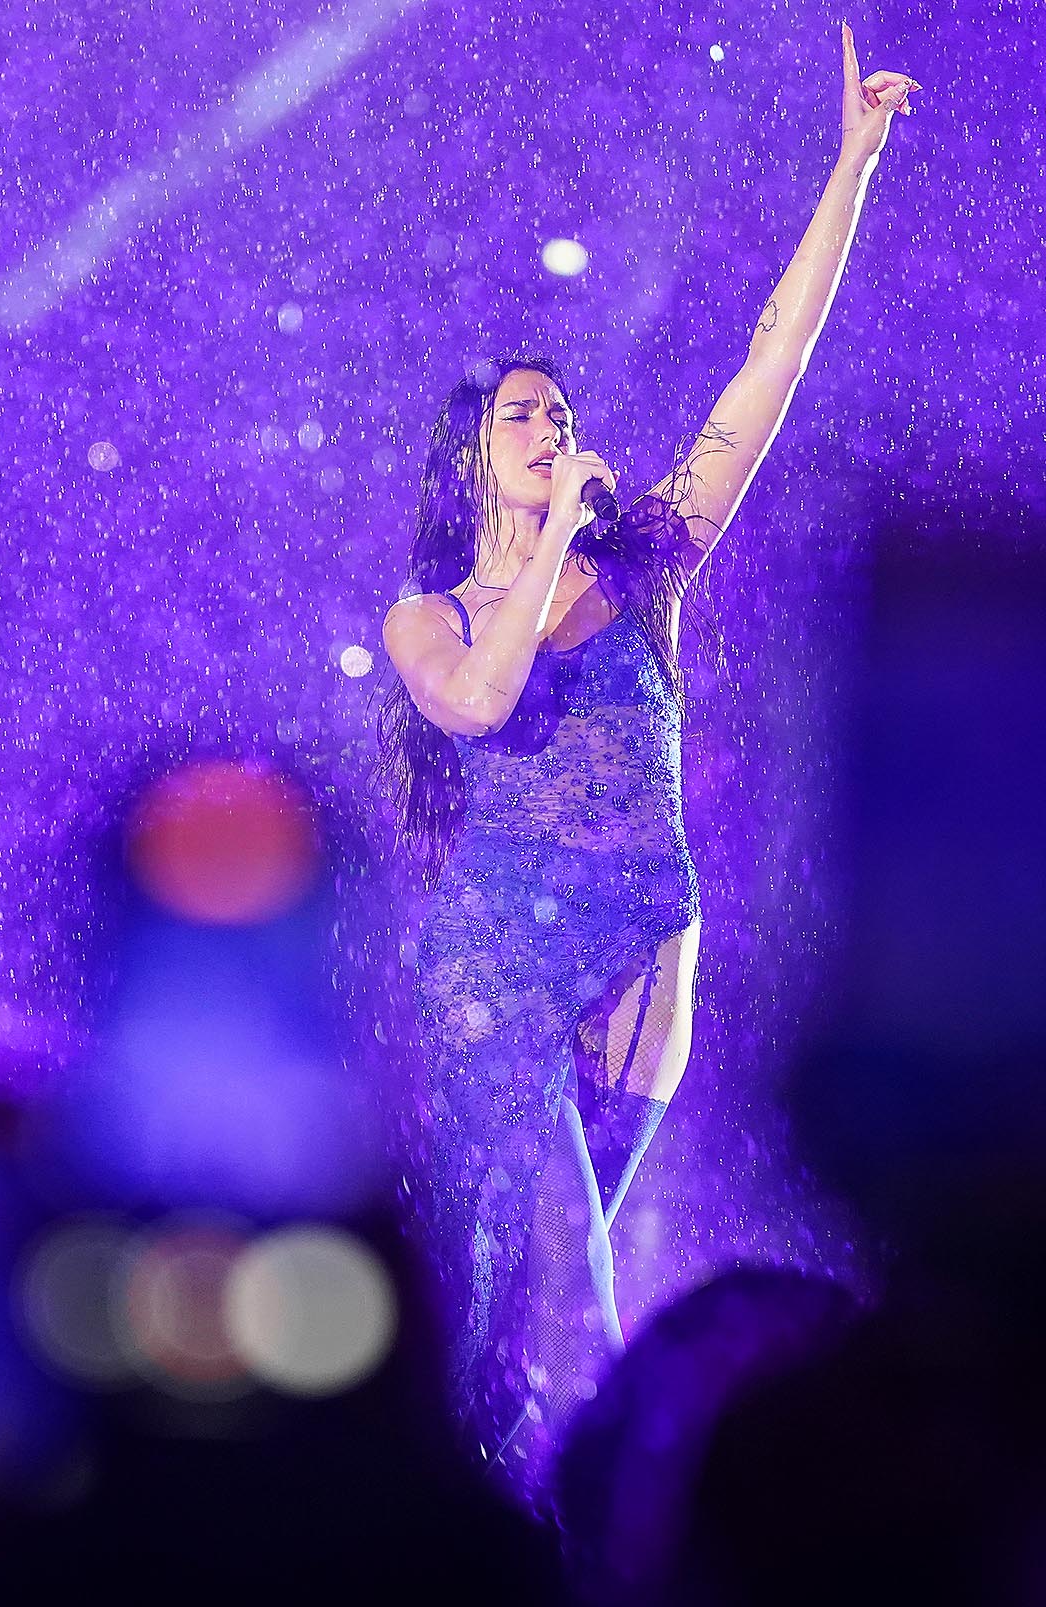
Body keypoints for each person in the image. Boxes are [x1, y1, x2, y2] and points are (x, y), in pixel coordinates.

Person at [377, 26, 921, 1506]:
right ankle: (618, 1552)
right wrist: (555, 531)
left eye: (563, 409)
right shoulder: (432, 615)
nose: (554, 423)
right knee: (563, 1303)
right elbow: (484, 710)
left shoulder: (649, 571)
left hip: (647, 958)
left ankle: (489, 1539)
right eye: (524, 416)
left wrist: (852, 166)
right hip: (498, 964)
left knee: (541, 1292)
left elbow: (772, 362)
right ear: (473, 463)